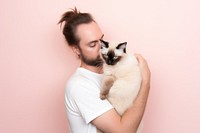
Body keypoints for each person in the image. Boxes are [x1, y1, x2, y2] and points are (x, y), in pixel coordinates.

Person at [58, 8, 151, 133]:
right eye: (92, 44)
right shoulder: (79, 85)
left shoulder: (111, 74)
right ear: (76, 49)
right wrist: (145, 82)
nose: (102, 48)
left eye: (102, 41)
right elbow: (123, 131)